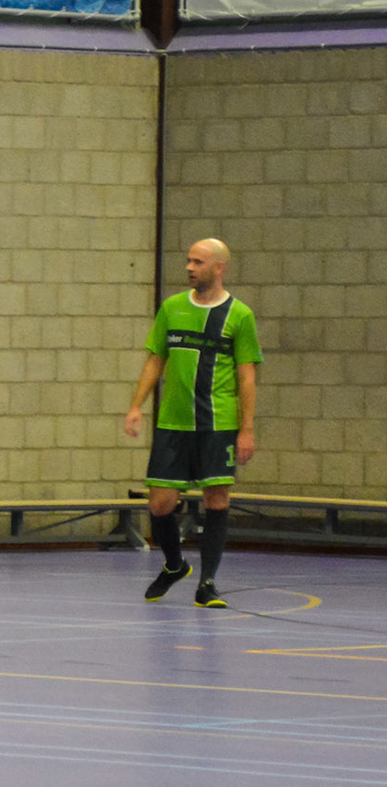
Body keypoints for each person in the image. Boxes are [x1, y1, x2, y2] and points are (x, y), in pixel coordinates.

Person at [123, 238, 261, 609]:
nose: (189, 267)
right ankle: (174, 565)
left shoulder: (239, 316)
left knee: (216, 498)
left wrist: (247, 429)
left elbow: (247, 375)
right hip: (173, 424)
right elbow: (155, 361)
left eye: (198, 262)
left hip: (217, 424)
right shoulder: (172, 308)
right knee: (160, 503)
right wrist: (136, 406)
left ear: (219, 267)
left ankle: (207, 584)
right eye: (188, 260)